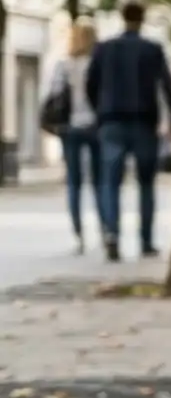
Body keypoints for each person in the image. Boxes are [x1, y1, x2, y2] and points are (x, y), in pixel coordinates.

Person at [85, 1, 171, 262]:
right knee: (146, 183)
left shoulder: (104, 49)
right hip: (143, 121)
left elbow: (91, 83)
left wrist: (100, 110)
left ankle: (112, 233)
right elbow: (168, 85)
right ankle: (146, 240)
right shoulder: (152, 49)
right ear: (143, 18)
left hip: (111, 121)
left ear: (121, 17)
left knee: (110, 181)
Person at [44, 21, 102, 254]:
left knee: (74, 182)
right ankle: (106, 228)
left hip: (70, 128)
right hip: (95, 127)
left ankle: (79, 234)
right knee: (100, 181)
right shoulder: (97, 65)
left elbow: (54, 95)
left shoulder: (64, 65)